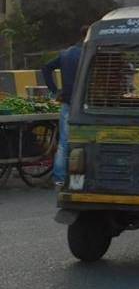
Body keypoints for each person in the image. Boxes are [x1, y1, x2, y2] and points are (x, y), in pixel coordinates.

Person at [42, 25, 86, 187]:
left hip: (67, 103)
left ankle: (59, 177)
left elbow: (46, 68)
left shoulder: (67, 53)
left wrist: (54, 91)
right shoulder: (90, 53)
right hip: (86, 105)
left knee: (64, 141)